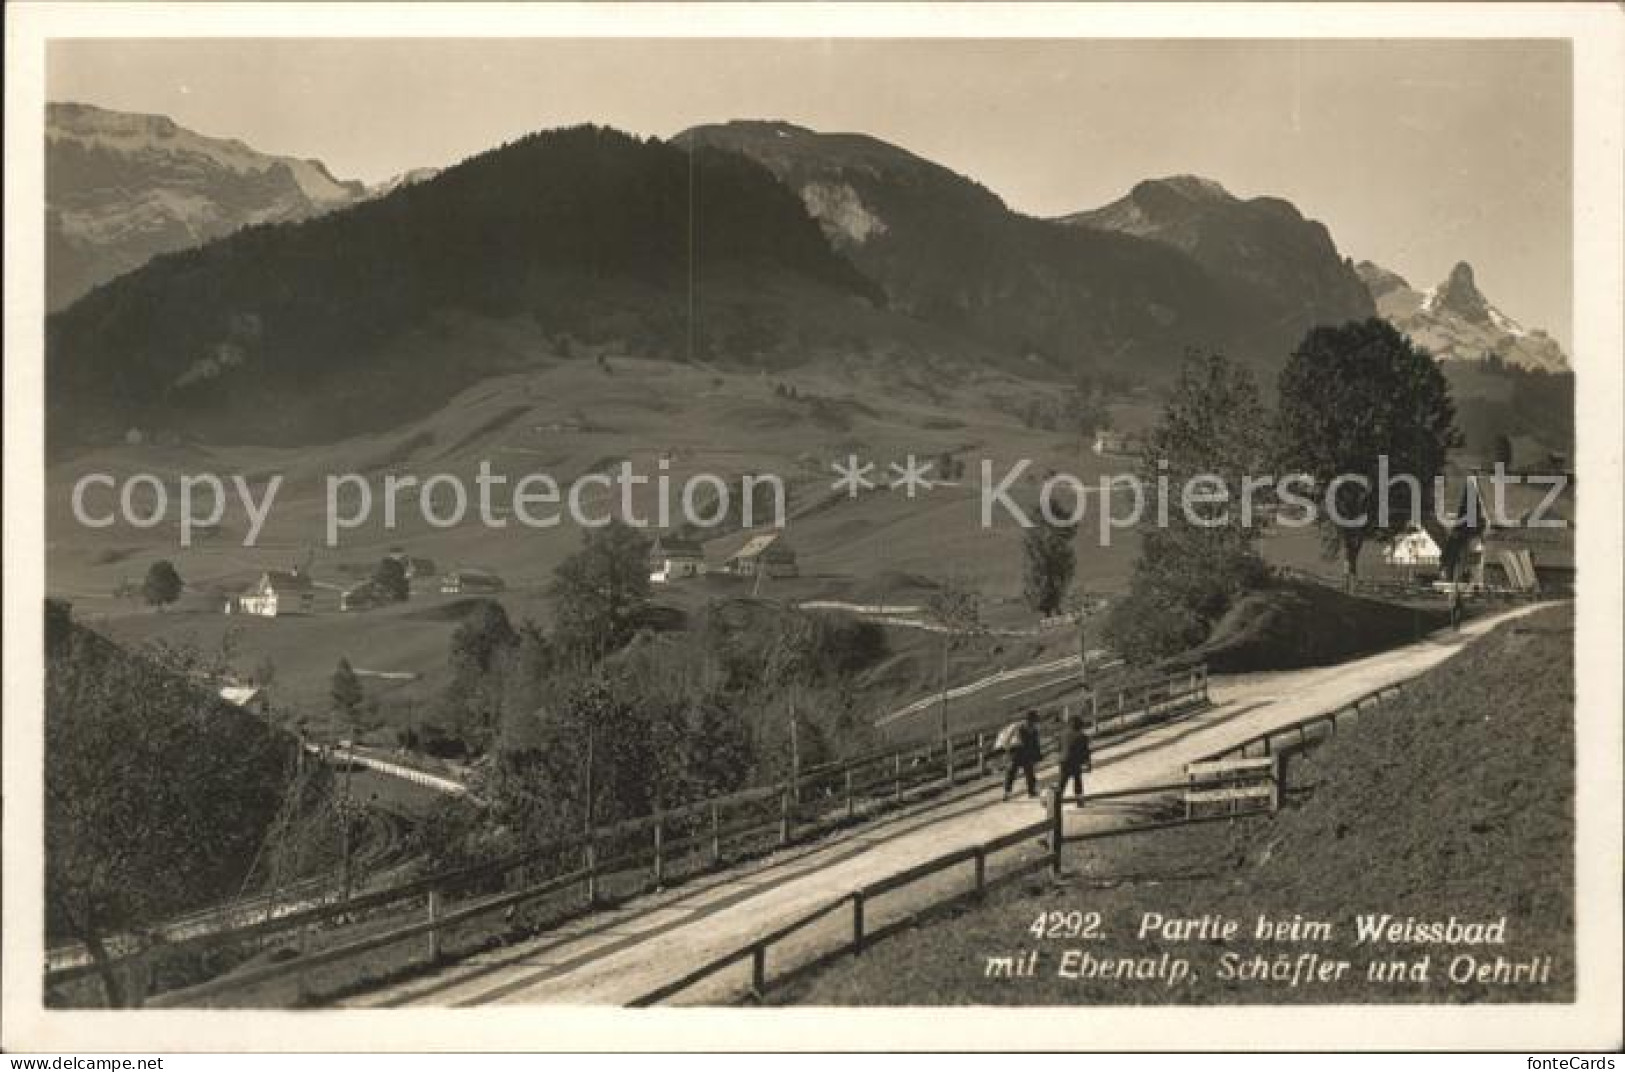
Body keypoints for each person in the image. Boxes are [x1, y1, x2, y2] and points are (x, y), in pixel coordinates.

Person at [1002, 709, 1042, 800]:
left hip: (1026, 754)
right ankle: (1007, 793)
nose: (1035, 722)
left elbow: (1035, 744)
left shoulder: (1034, 729)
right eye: (1034, 720)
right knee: (1011, 773)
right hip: (1016, 752)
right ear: (1030, 719)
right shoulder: (1018, 726)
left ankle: (1031, 792)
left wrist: (1037, 755)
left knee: (1030, 773)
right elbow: (1007, 739)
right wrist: (1007, 750)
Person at [1057, 713, 1093, 809]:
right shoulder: (1083, 736)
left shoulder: (1062, 734)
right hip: (1074, 761)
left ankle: (1056, 800)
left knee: (1062, 781)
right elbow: (1086, 752)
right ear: (1080, 726)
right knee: (1077, 780)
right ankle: (1079, 801)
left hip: (1063, 760)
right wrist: (1088, 764)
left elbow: (1059, 748)